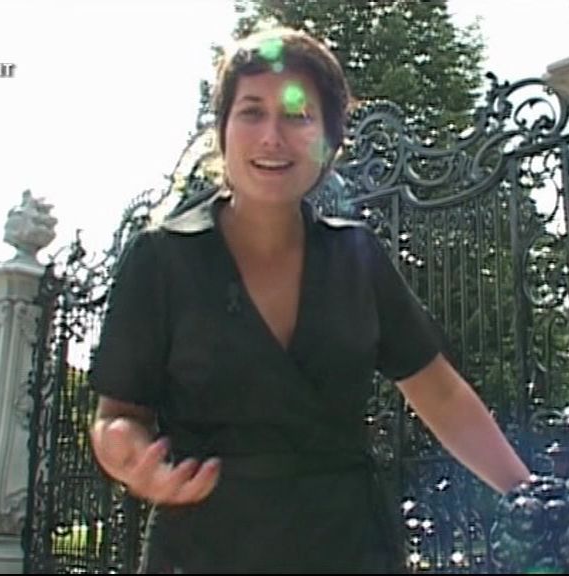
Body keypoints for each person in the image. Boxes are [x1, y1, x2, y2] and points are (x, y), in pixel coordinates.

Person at [89, 26, 532, 574]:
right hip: (203, 548)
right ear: (222, 130)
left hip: (348, 546)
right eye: (252, 112)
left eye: (298, 116)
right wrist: (131, 458)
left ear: (329, 141)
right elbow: (117, 416)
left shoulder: (357, 257)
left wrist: (528, 496)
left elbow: (440, 394)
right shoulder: (161, 259)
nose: (272, 137)